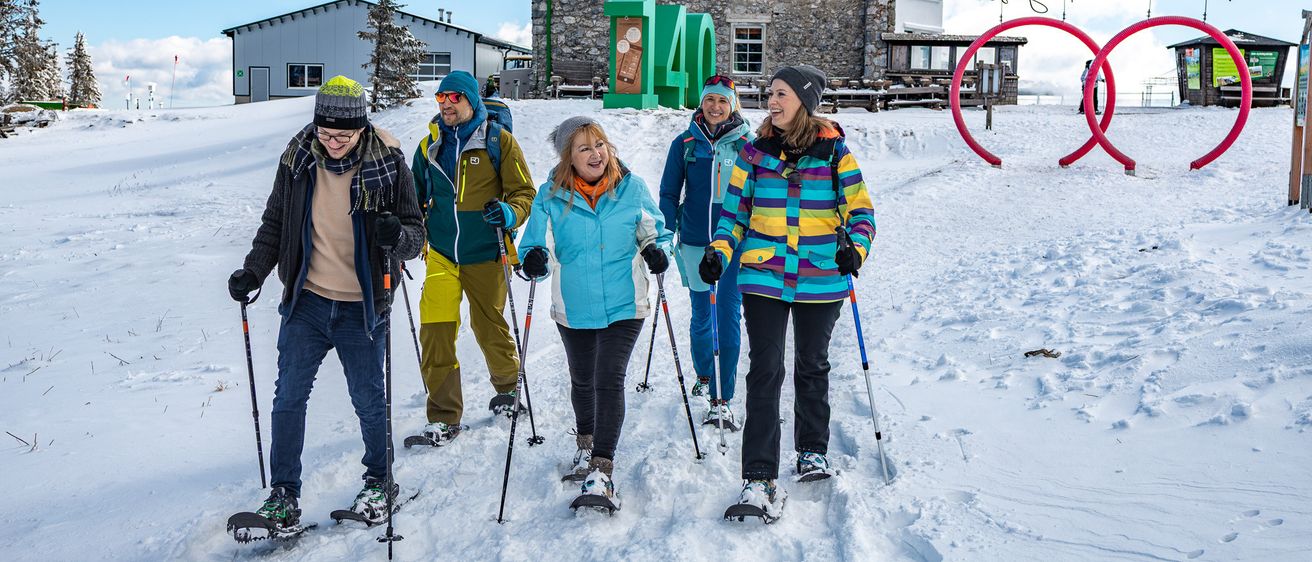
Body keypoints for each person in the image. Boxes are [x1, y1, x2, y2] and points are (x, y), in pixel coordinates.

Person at [227, 75, 425, 529]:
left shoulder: (389, 165)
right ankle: (283, 495)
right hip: (308, 302)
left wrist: (397, 236)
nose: (332, 144)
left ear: (361, 128)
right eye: (325, 134)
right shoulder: (298, 160)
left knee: (368, 399)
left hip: (363, 306)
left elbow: (416, 235)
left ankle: (380, 482)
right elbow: (275, 222)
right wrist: (253, 271)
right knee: (288, 397)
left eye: (343, 136)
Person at [700, 65, 875, 522]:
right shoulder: (754, 153)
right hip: (764, 274)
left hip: (821, 275)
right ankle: (758, 476)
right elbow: (733, 216)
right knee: (765, 369)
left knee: (812, 364)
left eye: (781, 93)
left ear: (804, 101)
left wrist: (855, 249)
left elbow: (861, 212)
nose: (771, 101)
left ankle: (812, 451)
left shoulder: (835, 153)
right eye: (770, 93)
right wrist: (719, 251)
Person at [517, 116, 674, 512]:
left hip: (625, 303)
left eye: (599, 144)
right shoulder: (550, 196)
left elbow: (656, 232)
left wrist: (657, 251)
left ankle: (602, 468)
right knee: (583, 379)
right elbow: (536, 243)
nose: (595, 154)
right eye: (584, 147)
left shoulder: (631, 188)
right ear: (568, 156)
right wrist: (534, 259)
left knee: (608, 378)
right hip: (574, 306)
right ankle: (585, 446)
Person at [410, 70, 536, 446]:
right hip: (442, 254)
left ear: (471, 100)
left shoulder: (498, 141)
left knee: (489, 326)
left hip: (486, 252)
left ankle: (509, 390)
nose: (446, 104)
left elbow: (524, 192)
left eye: (454, 97)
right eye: (441, 98)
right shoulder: (429, 146)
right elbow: (412, 199)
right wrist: (403, 233)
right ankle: (443, 416)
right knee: (436, 332)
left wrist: (509, 213)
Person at [658, 75, 752, 430]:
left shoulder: (747, 145)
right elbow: (669, 193)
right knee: (701, 315)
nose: (715, 107)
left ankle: (722, 398)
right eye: (710, 99)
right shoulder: (684, 144)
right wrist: (665, 236)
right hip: (695, 241)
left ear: (733, 105)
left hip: (734, 245)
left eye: (723, 101)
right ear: (702, 103)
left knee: (727, 314)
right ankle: (704, 375)